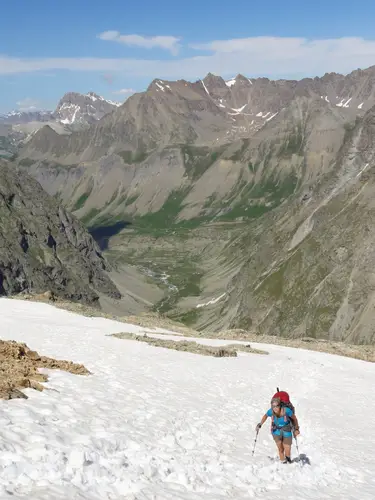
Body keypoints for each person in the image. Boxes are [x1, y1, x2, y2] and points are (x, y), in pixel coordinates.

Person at [255, 397, 300, 463]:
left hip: (286, 429)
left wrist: (296, 428)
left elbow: (294, 418)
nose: (275, 408)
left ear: (280, 405)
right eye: (273, 406)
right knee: (280, 449)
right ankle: (283, 462)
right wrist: (260, 424)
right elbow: (265, 416)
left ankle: (288, 460)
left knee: (287, 449)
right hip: (276, 431)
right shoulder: (271, 411)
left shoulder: (286, 410)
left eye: (277, 406)